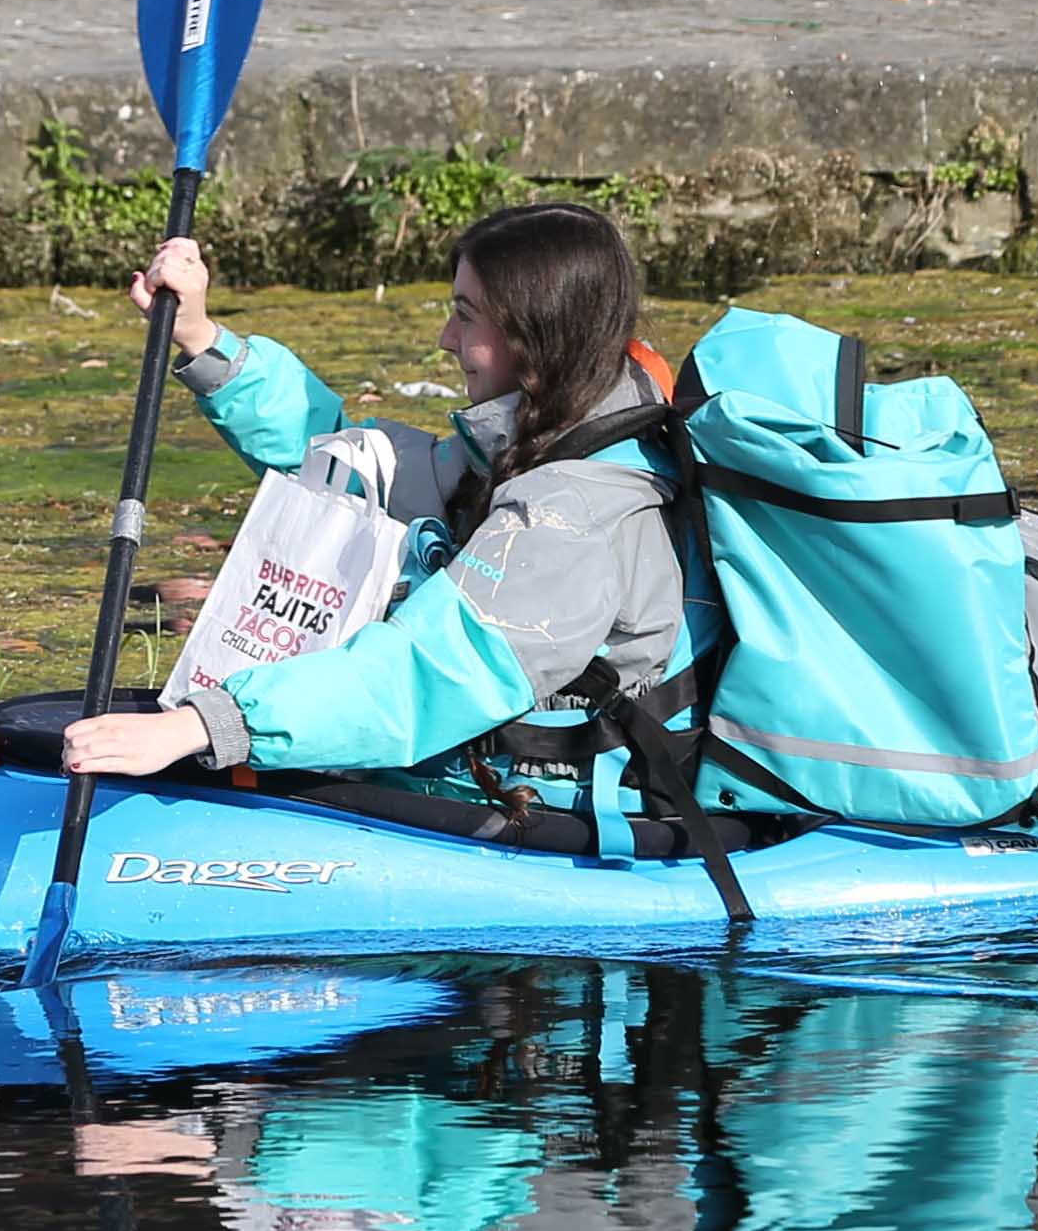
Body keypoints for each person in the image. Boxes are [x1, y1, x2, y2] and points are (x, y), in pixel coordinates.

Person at [62, 203, 686, 791]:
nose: (446, 339)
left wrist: (205, 725)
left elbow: (425, 672)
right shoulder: (544, 435)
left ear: (536, 336)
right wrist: (203, 339)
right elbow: (349, 469)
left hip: (542, 800)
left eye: (466, 316)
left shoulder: (572, 512)